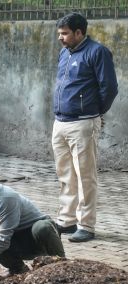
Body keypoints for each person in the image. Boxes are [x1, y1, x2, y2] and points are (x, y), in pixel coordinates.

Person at [52, 12, 118, 242]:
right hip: (60, 122)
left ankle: (86, 225)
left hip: (83, 123)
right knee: (65, 175)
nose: (60, 38)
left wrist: (95, 112)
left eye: (65, 33)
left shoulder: (97, 52)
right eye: (59, 33)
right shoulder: (64, 52)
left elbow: (109, 88)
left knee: (85, 176)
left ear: (79, 32)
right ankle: (67, 221)